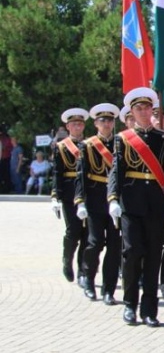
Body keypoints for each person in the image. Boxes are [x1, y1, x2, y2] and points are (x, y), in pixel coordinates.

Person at [108, 88, 164, 327]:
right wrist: (113, 198)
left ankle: (149, 310)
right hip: (132, 202)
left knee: (153, 257)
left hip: (156, 204)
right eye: (139, 109)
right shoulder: (123, 138)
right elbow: (116, 170)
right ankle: (130, 305)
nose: (144, 112)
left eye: (148, 108)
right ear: (132, 113)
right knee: (132, 252)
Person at [74, 103, 120, 304]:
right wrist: (80, 201)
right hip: (94, 199)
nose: (107, 124)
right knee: (95, 243)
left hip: (115, 201)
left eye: (110, 120)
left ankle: (109, 290)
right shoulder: (88, 145)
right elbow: (81, 176)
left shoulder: (120, 143)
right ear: (96, 123)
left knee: (114, 245)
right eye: (103, 120)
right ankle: (89, 280)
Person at [52, 107, 89, 285]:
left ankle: (83, 269)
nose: (78, 127)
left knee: (87, 233)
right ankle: (67, 260)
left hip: (88, 193)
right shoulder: (61, 147)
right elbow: (57, 173)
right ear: (68, 126)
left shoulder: (90, 144)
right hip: (69, 193)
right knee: (73, 231)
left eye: (80, 123)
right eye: (74, 124)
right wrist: (55, 197)